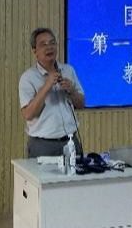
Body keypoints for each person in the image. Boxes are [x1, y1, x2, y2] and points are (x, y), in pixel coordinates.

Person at [19, 27, 86, 158]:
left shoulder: (68, 70)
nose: (49, 47)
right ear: (35, 51)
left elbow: (81, 104)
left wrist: (72, 91)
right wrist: (47, 86)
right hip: (43, 145)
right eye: (43, 44)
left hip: (71, 141)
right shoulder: (28, 77)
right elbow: (28, 114)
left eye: (52, 43)